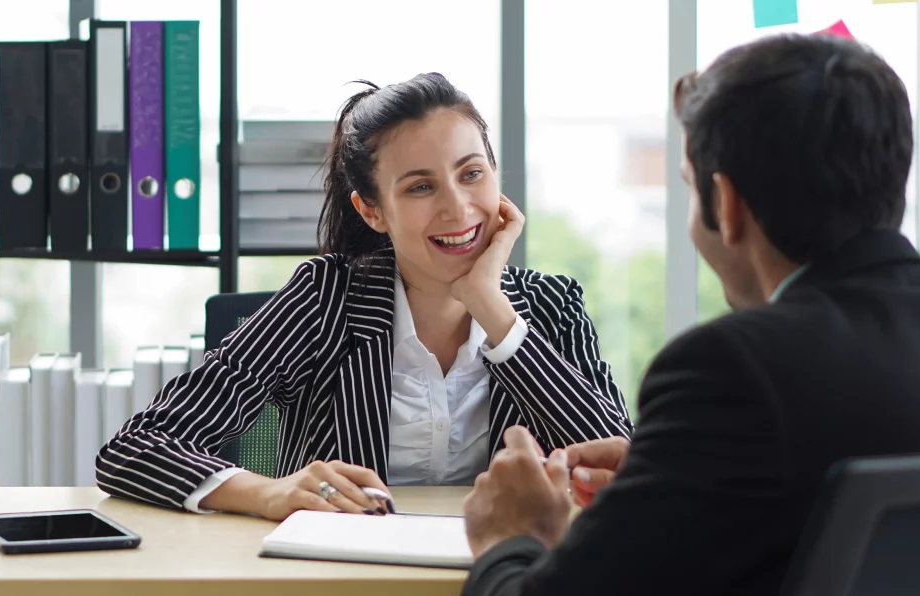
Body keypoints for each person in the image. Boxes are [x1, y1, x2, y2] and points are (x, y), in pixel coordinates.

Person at [459, 33, 920, 596]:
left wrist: (510, 535)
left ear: (727, 204)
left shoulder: (734, 372)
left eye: (691, 189)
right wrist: (676, 469)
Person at [96, 72, 632, 521]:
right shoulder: (324, 297)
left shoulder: (552, 307)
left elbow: (630, 473)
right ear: (373, 210)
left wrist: (492, 310)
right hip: (345, 590)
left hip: (510, 583)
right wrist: (268, 492)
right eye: (420, 187)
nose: (457, 208)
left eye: (472, 174)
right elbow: (136, 447)